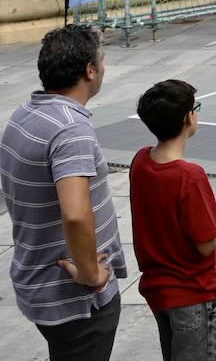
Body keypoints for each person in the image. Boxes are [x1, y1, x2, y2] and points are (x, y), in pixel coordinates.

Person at [1, 25, 127, 360]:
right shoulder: (71, 129)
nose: (103, 67)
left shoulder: (25, 115)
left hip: (37, 281)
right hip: (76, 300)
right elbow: (74, 212)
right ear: (89, 70)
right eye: (101, 60)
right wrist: (92, 276)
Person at [130, 81, 216, 361]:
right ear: (188, 118)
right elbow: (206, 245)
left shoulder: (140, 161)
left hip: (159, 290)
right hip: (191, 292)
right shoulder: (190, 176)